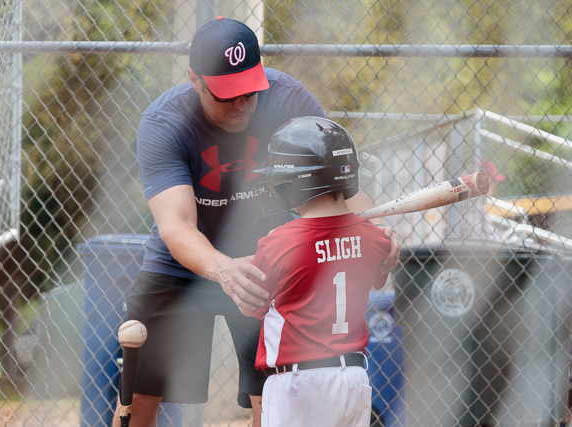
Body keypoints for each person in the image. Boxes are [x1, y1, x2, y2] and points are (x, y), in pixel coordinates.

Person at [113, 17, 400, 427]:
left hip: (269, 260)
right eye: (227, 95)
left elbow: (343, 192)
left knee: (271, 395)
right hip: (182, 265)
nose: (243, 104)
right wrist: (224, 269)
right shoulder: (165, 122)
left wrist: (373, 236)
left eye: (250, 90)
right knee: (137, 397)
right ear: (195, 80)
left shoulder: (288, 99)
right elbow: (176, 225)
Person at [243, 116, 393, 427]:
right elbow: (378, 274)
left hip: (298, 384)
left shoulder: (278, 243)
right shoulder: (375, 237)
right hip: (353, 380)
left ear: (293, 182)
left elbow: (251, 306)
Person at [460, 159, 506, 240]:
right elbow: (473, 238)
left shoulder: (477, 200)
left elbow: (489, 230)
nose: (495, 186)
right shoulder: (468, 200)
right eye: (493, 181)